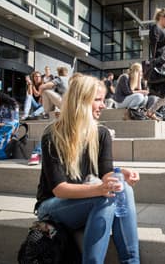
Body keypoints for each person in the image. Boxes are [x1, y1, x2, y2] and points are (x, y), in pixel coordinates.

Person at [34, 73, 140, 263]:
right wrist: (100, 189)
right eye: (98, 100)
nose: (104, 104)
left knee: (121, 186)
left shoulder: (102, 133)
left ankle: (132, 261)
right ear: (81, 101)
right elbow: (59, 189)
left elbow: (106, 173)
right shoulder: (53, 135)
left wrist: (120, 174)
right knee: (104, 198)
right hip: (52, 207)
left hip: (85, 200)